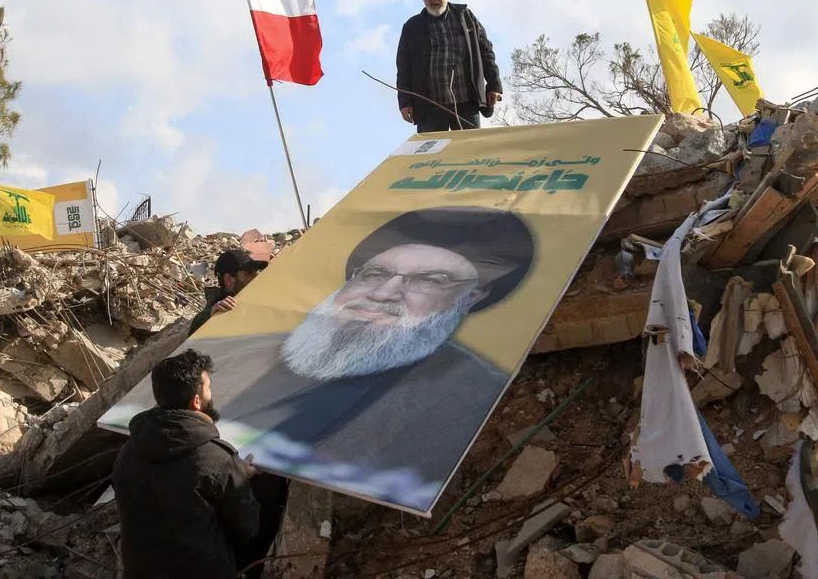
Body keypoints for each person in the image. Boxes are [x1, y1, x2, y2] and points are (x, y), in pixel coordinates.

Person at [102, 206, 535, 513]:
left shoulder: (469, 392)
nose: (384, 293)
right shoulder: (237, 349)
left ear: (473, 296)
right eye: (375, 273)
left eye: (429, 280)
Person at [112, 349, 261, 579]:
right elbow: (246, 529)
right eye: (208, 387)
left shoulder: (128, 452)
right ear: (197, 401)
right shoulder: (218, 460)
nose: (211, 393)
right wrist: (239, 478)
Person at [396, 0, 503, 133]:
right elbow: (403, 68)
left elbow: (486, 52)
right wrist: (405, 102)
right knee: (432, 149)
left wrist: (494, 85)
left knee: (470, 147)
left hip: (467, 101)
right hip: (429, 105)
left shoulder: (465, 17)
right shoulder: (412, 27)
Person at [191, 248, 268, 333]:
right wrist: (212, 316)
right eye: (249, 273)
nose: (256, 277)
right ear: (228, 280)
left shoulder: (253, 296)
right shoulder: (215, 309)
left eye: (256, 271)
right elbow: (196, 328)